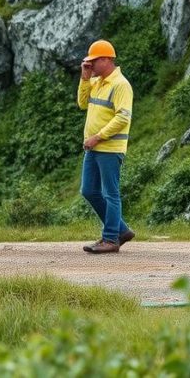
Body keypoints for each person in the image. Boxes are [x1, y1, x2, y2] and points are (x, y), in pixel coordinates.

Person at [77, 39, 135, 254]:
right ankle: (122, 230)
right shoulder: (97, 82)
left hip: (109, 148)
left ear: (106, 59)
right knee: (89, 190)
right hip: (94, 147)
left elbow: (123, 117)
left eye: (93, 61)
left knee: (110, 193)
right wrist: (85, 79)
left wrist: (98, 137)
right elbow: (83, 104)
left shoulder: (121, 85)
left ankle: (110, 239)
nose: (90, 65)